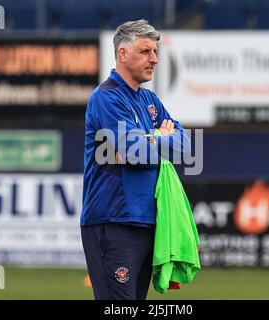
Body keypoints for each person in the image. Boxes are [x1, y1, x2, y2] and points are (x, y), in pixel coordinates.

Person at [80, 19, 191, 300]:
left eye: (155, 52)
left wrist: (149, 138)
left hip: (145, 222)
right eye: (145, 51)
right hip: (114, 220)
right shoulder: (107, 98)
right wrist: (158, 138)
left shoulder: (150, 101)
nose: (154, 59)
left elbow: (185, 146)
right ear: (122, 54)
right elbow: (135, 154)